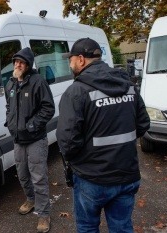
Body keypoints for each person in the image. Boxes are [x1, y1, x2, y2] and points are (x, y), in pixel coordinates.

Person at [56, 38, 150, 232]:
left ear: (81, 59)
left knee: (87, 227)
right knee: (122, 227)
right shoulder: (128, 85)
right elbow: (143, 125)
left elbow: (67, 143)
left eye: (71, 59)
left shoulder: (76, 92)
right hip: (126, 174)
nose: (69, 63)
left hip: (92, 179)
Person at [4, 47, 55, 233]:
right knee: (23, 174)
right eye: (16, 61)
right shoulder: (10, 84)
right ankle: (31, 200)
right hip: (18, 140)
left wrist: (32, 125)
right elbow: (9, 106)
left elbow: (48, 109)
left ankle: (44, 214)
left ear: (28, 65)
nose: (17, 64)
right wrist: (10, 122)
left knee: (39, 177)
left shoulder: (38, 82)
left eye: (21, 62)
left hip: (35, 139)